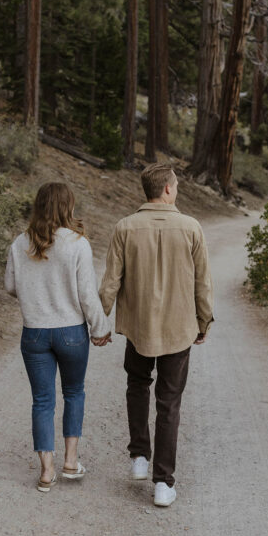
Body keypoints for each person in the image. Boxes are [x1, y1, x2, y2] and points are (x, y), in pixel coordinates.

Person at [99, 162, 213, 507]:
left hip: (139, 328)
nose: (176, 189)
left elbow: (110, 282)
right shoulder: (191, 227)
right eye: (175, 185)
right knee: (169, 402)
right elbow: (202, 283)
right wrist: (203, 321)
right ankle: (164, 483)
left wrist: (98, 320)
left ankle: (139, 457)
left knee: (137, 385)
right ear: (167, 189)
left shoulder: (125, 227)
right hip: (179, 329)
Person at [5, 182, 111, 493]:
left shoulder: (20, 243)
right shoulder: (77, 243)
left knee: (42, 401)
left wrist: (35, 290)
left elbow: (10, 286)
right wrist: (100, 328)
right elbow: (87, 295)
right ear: (68, 207)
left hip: (35, 331)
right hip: (70, 332)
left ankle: (46, 471)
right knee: (74, 392)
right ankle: (70, 461)